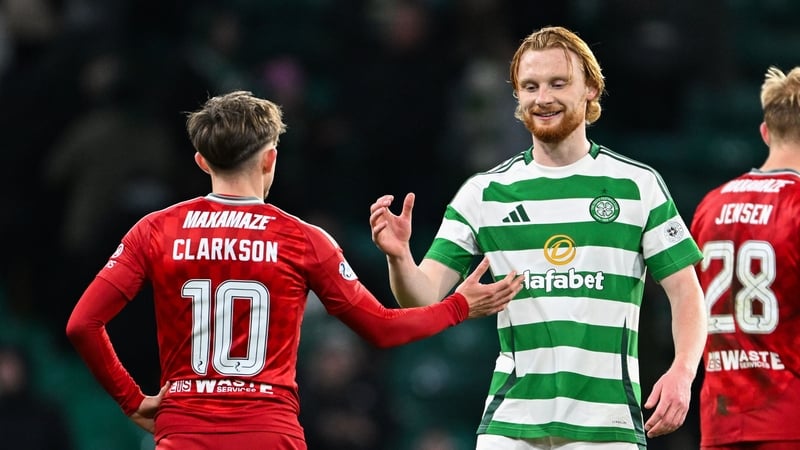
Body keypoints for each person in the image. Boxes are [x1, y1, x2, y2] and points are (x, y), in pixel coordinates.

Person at [65, 90, 523, 450]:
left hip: (185, 433)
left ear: (202, 162)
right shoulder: (302, 240)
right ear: (270, 158)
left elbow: (82, 324)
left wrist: (132, 400)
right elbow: (382, 329)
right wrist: (459, 306)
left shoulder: (156, 230)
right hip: (270, 434)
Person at [369, 25, 707, 449]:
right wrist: (399, 257)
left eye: (557, 83)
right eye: (529, 86)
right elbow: (420, 297)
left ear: (591, 89)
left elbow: (686, 293)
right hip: (510, 424)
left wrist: (682, 372)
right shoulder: (484, 193)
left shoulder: (637, 185)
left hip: (606, 427)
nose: (542, 97)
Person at [689, 66, 800, 450]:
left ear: (765, 132)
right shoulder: (797, 204)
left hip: (720, 420)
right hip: (790, 419)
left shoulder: (710, 205)